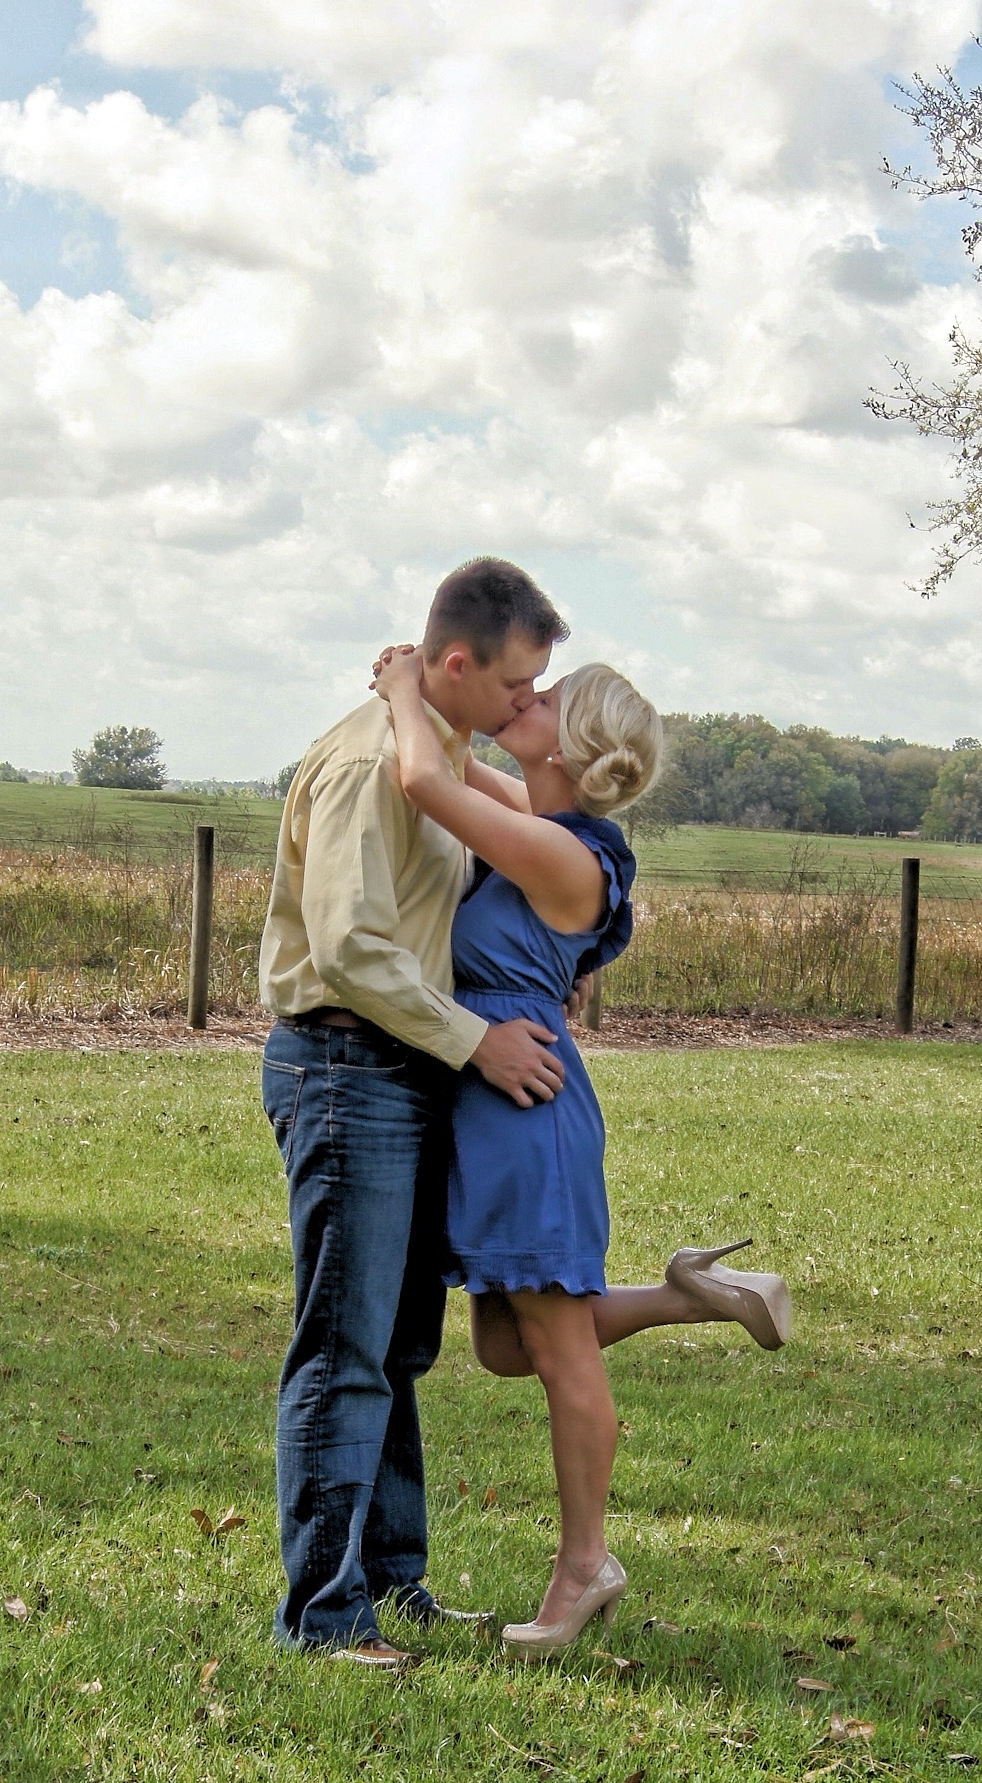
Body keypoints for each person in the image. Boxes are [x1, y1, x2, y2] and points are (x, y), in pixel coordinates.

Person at [372, 646, 791, 1660]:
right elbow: (456, 766)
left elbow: (426, 775)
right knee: (505, 1345)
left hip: (528, 1116)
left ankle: (585, 1566)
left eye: (549, 696)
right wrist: (434, 696)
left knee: (555, 1355)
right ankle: (695, 1293)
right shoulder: (541, 825)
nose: (529, 695)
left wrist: (398, 691)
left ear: (576, 742)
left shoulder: (568, 855)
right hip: (499, 1105)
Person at [259, 558, 580, 1667]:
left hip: (404, 1076)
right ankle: (324, 1616)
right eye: (514, 688)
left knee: (396, 1351)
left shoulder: (439, 751)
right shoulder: (364, 766)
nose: (523, 707)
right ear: (456, 663)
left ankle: (393, 1587)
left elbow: (537, 823)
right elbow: (348, 949)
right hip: (347, 1070)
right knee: (343, 1351)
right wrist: (475, 1040)